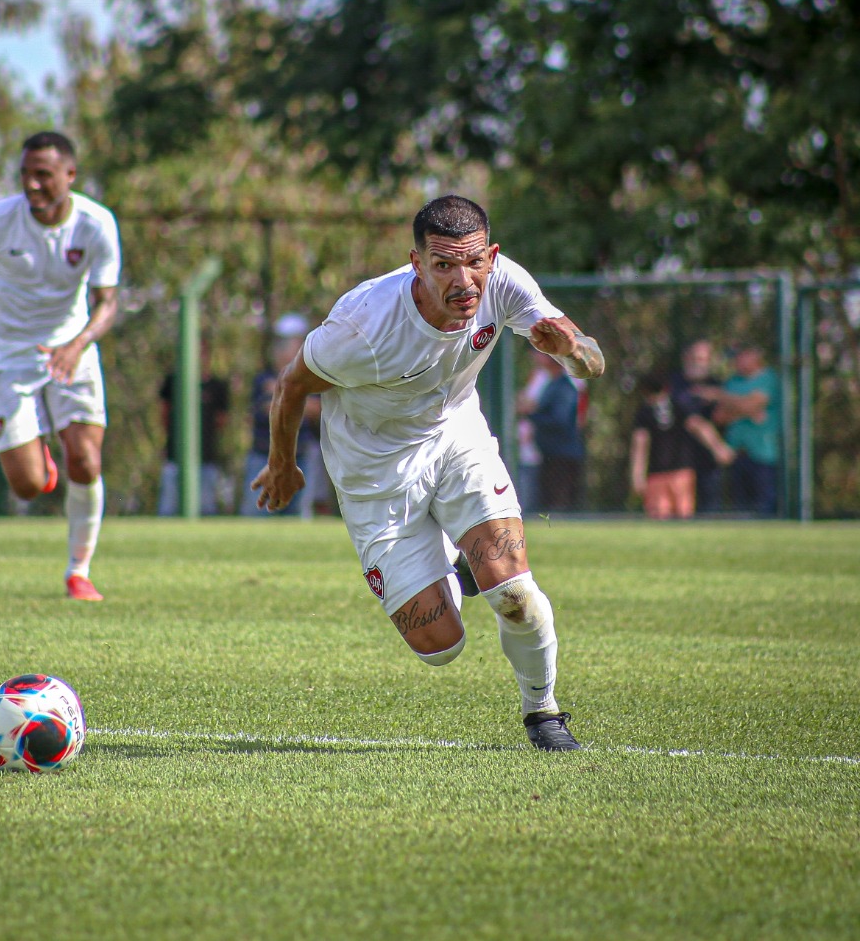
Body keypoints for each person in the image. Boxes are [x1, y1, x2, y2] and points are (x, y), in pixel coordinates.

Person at [251, 194, 605, 751]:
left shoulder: (507, 284)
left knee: (514, 590)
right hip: (374, 472)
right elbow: (292, 385)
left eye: (473, 263)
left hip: (455, 438)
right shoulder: (363, 326)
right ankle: (452, 561)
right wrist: (282, 464)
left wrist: (574, 352)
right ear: (416, 264)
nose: (463, 281)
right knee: (440, 645)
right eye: (443, 265)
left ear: (491, 256)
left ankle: (544, 714)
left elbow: (590, 362)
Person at [0, 131, 120, 601]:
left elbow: (107, 301)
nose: (32, 185)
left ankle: (78, 572)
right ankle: (38, 459)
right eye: (25, 174)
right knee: (26, 486)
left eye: (43, 175)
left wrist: (78, 343)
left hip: (71, 352)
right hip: (5, 358)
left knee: (85, 460)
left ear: (70, 175)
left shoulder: (96, 223)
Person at [240, 313, 321, 518]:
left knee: (299, 515)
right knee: (257, 514)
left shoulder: (313, 379)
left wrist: (284, 397)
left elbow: (318, 410)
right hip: (262, 456)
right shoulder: (262, 379)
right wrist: (297, 401)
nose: (287, 351)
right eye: (283, 345)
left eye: (294, 344)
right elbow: (266, 409)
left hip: (302, 456)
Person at [630, 369, 734, 519]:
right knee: (683, 519)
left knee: (659, 518)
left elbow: (640, 444)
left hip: (656, 474)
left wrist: (637, 475)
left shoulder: (644, 412)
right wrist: (718, 448)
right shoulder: (679, 405)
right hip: (682, 473)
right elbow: (699, 426)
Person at [158, 340, 230, 516]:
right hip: (175, 459)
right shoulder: (172, 381)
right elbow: (163, 414)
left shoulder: (217, 386)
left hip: (206, 459)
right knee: (168, 511)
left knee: (206, 511)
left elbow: (222, 421)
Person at [713, 344, 780, 516]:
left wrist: (720, 396)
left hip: (764, 454)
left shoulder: (769, 379)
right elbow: (720, 416)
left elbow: (752, 404)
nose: (738, 361)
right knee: (740, 509)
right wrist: (746, 410)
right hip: (736, 453)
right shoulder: (732, 382)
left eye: (742, 356)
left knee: (764, 508)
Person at [518, 351, 586, 512]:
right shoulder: (551, 384)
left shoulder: (564, 387)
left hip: (562, 455)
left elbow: (559, 420)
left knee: (559, 504)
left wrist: (531, 414)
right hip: (550, 454)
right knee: (549, 503)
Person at [668, 339, 726, 513]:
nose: (697, 362)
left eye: (702, 358)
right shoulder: (674, 384)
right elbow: (693, 422)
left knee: (710, 509)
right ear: (686, 357)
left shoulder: (717, 385)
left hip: (709, 464)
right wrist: (719, 448)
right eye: (694, 357)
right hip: (679, 461)